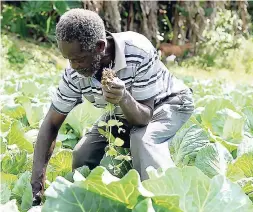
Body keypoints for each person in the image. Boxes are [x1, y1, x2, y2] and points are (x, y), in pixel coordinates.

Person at [31, 8, 194, 205]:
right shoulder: (74, 73)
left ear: (100, 46)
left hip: (169, 102)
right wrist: (37, 180)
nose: (73, 66)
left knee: (142, 140)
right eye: (69, 59)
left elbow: (143, 117)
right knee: (83, 154)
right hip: (124, 110)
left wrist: (124, 97)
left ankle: (164, 204)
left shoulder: (137, 50)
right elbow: (51, 123)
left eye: (79, 59)